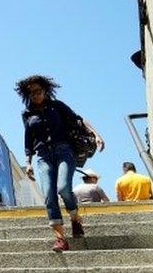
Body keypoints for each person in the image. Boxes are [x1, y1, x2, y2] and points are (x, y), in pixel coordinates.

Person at [18, 74, 105, 253]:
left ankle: (75, 219)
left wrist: (96, 134)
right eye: (31, 93)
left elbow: (78, 120)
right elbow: (28, 139)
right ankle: (60, 239)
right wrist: (28, 162)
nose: (35, 95)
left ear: (45, 90)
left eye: (38, 91)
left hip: (64, 150)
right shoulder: (27, 114)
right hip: (42, 155)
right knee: (49, 195)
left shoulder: (57, 106)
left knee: (63, 187)